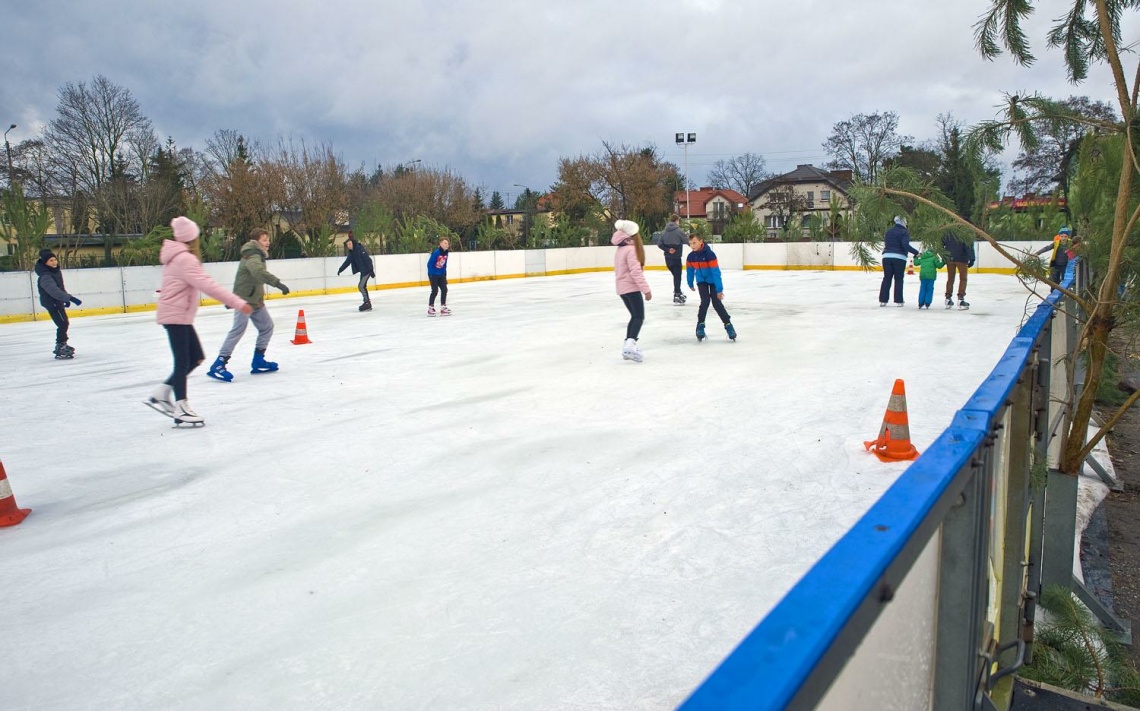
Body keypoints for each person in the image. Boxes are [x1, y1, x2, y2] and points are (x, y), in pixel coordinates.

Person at [147, 216, 252, 426]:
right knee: (183, 361)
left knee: (195, 357)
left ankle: (163, 391)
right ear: (192, 237)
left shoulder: (177, 257)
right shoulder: (185, 259)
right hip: (176, 316)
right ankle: (181, 407)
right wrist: (238, 302)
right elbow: (207, 285)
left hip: (178, 316)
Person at [207, 228, 289, 381]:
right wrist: (278, 284)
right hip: (244, 300)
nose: (268, 243)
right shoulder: (253, 255)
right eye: (264, 240)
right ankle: (219, 364)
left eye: (268, 239)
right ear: (256, 241)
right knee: (238, 330)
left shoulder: (256, 255)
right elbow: (257, 272)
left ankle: (258, 361)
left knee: (267, 327)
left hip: (255, 301)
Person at [612, 219, 652, 361]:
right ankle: (629, 346)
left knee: (634, 317)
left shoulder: (621, 249)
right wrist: (646, 290)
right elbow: (635, 272)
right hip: (631, 288)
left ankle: (627, 347)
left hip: (623, 289)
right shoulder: (631, 250)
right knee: (639, 317)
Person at [686, 233, 736, 342]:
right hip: (701, 281)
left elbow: (715, 272)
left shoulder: (710, 254)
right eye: (690, 244)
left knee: (717, 303)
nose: (692, 246)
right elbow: (689, 270)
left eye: (694, 243)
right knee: (705, 301)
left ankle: (728, 325)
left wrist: (719, 289)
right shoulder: (691, 256)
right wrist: (690, 282)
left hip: (713, 281)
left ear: (701, 241)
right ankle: (700, 326)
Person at [34, 249, 82, 359]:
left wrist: (65, 299)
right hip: (52, 303)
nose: (54, 262)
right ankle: (60, 346)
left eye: (55, 259)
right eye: (51, 260)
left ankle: (61, 344)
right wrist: (70, 298)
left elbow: (60, 288)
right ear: (45, 262)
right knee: (63, 324)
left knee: (64, 323)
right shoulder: (45, 276)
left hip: (57, 301)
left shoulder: (55, 272)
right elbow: (53, 290)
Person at [879, 216, 920, 307]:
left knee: (887, 278)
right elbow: (905, 245)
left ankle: (883, 300)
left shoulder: (889, 231)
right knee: (898, 279)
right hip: (899, 258)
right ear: (904, 222)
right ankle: (899, 300)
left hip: (886, 257)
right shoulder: (904, 232)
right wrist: (916, 253)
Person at [337, 234, 376, 311]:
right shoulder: (351, 253)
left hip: (367, 271)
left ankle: (367, 302)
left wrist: (371, 270)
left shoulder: (359, 249)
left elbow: (368, 260)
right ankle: (367, 302)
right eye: (347, 244)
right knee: (363, 286)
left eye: (350, 244)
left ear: (353, 243)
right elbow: (347, 262)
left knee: (361, 286)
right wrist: (340, 269)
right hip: (363, 271)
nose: (349, 246)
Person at [656, 214, 688, 304]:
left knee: (676, 276)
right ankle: (677, 294)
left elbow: (659, 244)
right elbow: (687, 241)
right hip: (676, 258)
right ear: (676, 221)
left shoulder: (664, 231)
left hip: (667, 259)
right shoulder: (679, 231)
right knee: (677, 276)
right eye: (678, 221)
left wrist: (667, 249)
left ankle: (678, 291)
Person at [941, 231, 975, 309]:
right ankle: (961, 298)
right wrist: (972, 258)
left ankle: (948, 298)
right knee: (963, 279)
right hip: (961, 258)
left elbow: (941, 243)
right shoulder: (965, 232)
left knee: (950, 278)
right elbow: (969, 245)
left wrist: (944, 255)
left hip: (950, 258)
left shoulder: (948, 232)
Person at [427, 236, 451, 316]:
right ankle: (430, 307)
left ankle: (443, 307)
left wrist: (444, 274)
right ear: (440, 244)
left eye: (447, 243)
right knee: (435, 291)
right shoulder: (436, 253)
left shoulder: (446, 253)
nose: (447, 245)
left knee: (444, 289)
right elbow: (429, 264)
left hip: (441, 274)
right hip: (433, 274)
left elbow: (444, 264)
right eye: (445, 243)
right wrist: (432, 274)